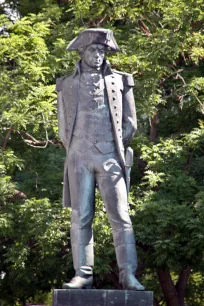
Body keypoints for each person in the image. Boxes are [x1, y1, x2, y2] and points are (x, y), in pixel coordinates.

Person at [56, 28, 144, 291]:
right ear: (82, 52)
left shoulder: (121, 81)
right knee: (80, 216)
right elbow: (62, 126)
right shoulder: (66, 84)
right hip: (79, 157)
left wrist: (111, 149)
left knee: (121, 216)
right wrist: (77, 150)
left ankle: (128, 274)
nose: (97, 55)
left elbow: (130, 124)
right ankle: (83, 274)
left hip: (110, 157)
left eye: (102, 51)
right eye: (93, 50)